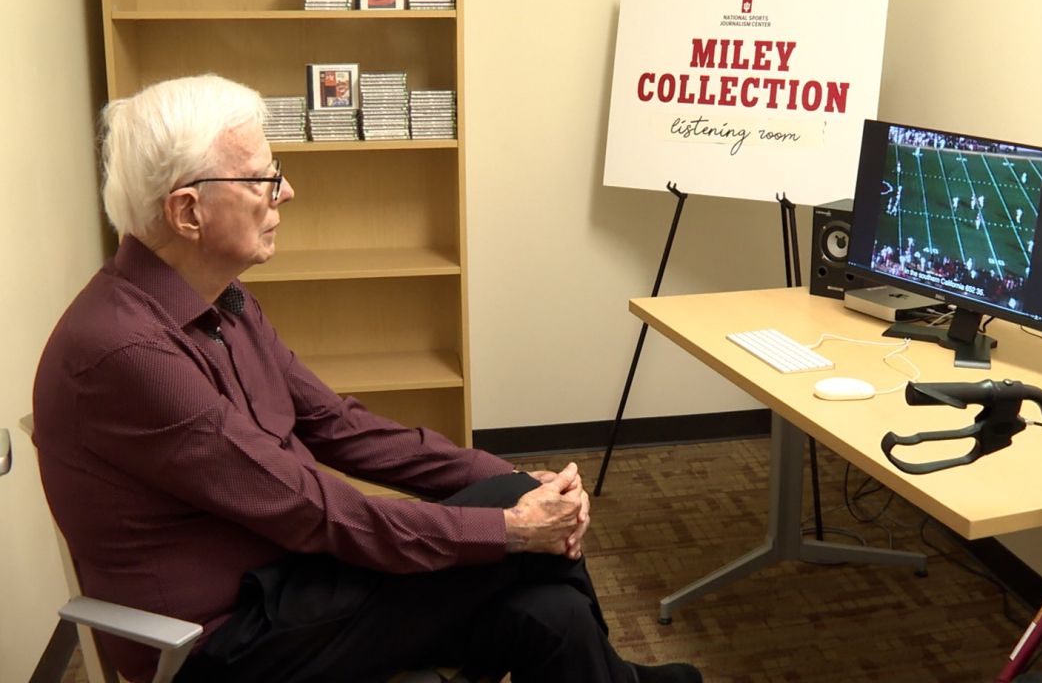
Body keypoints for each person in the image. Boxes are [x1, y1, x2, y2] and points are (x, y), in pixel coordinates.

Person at [32, 75, 702, 683]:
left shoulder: (221, 300)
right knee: (525, 545)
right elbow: (308, 505)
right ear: (187, 213)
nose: (285, 191)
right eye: (264, 179)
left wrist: (522, 489)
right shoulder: (125, 352)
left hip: (291, 577)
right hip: (224, 642)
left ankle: (609, 675)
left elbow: (339, 426)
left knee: (546, 610)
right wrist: (513, 525)